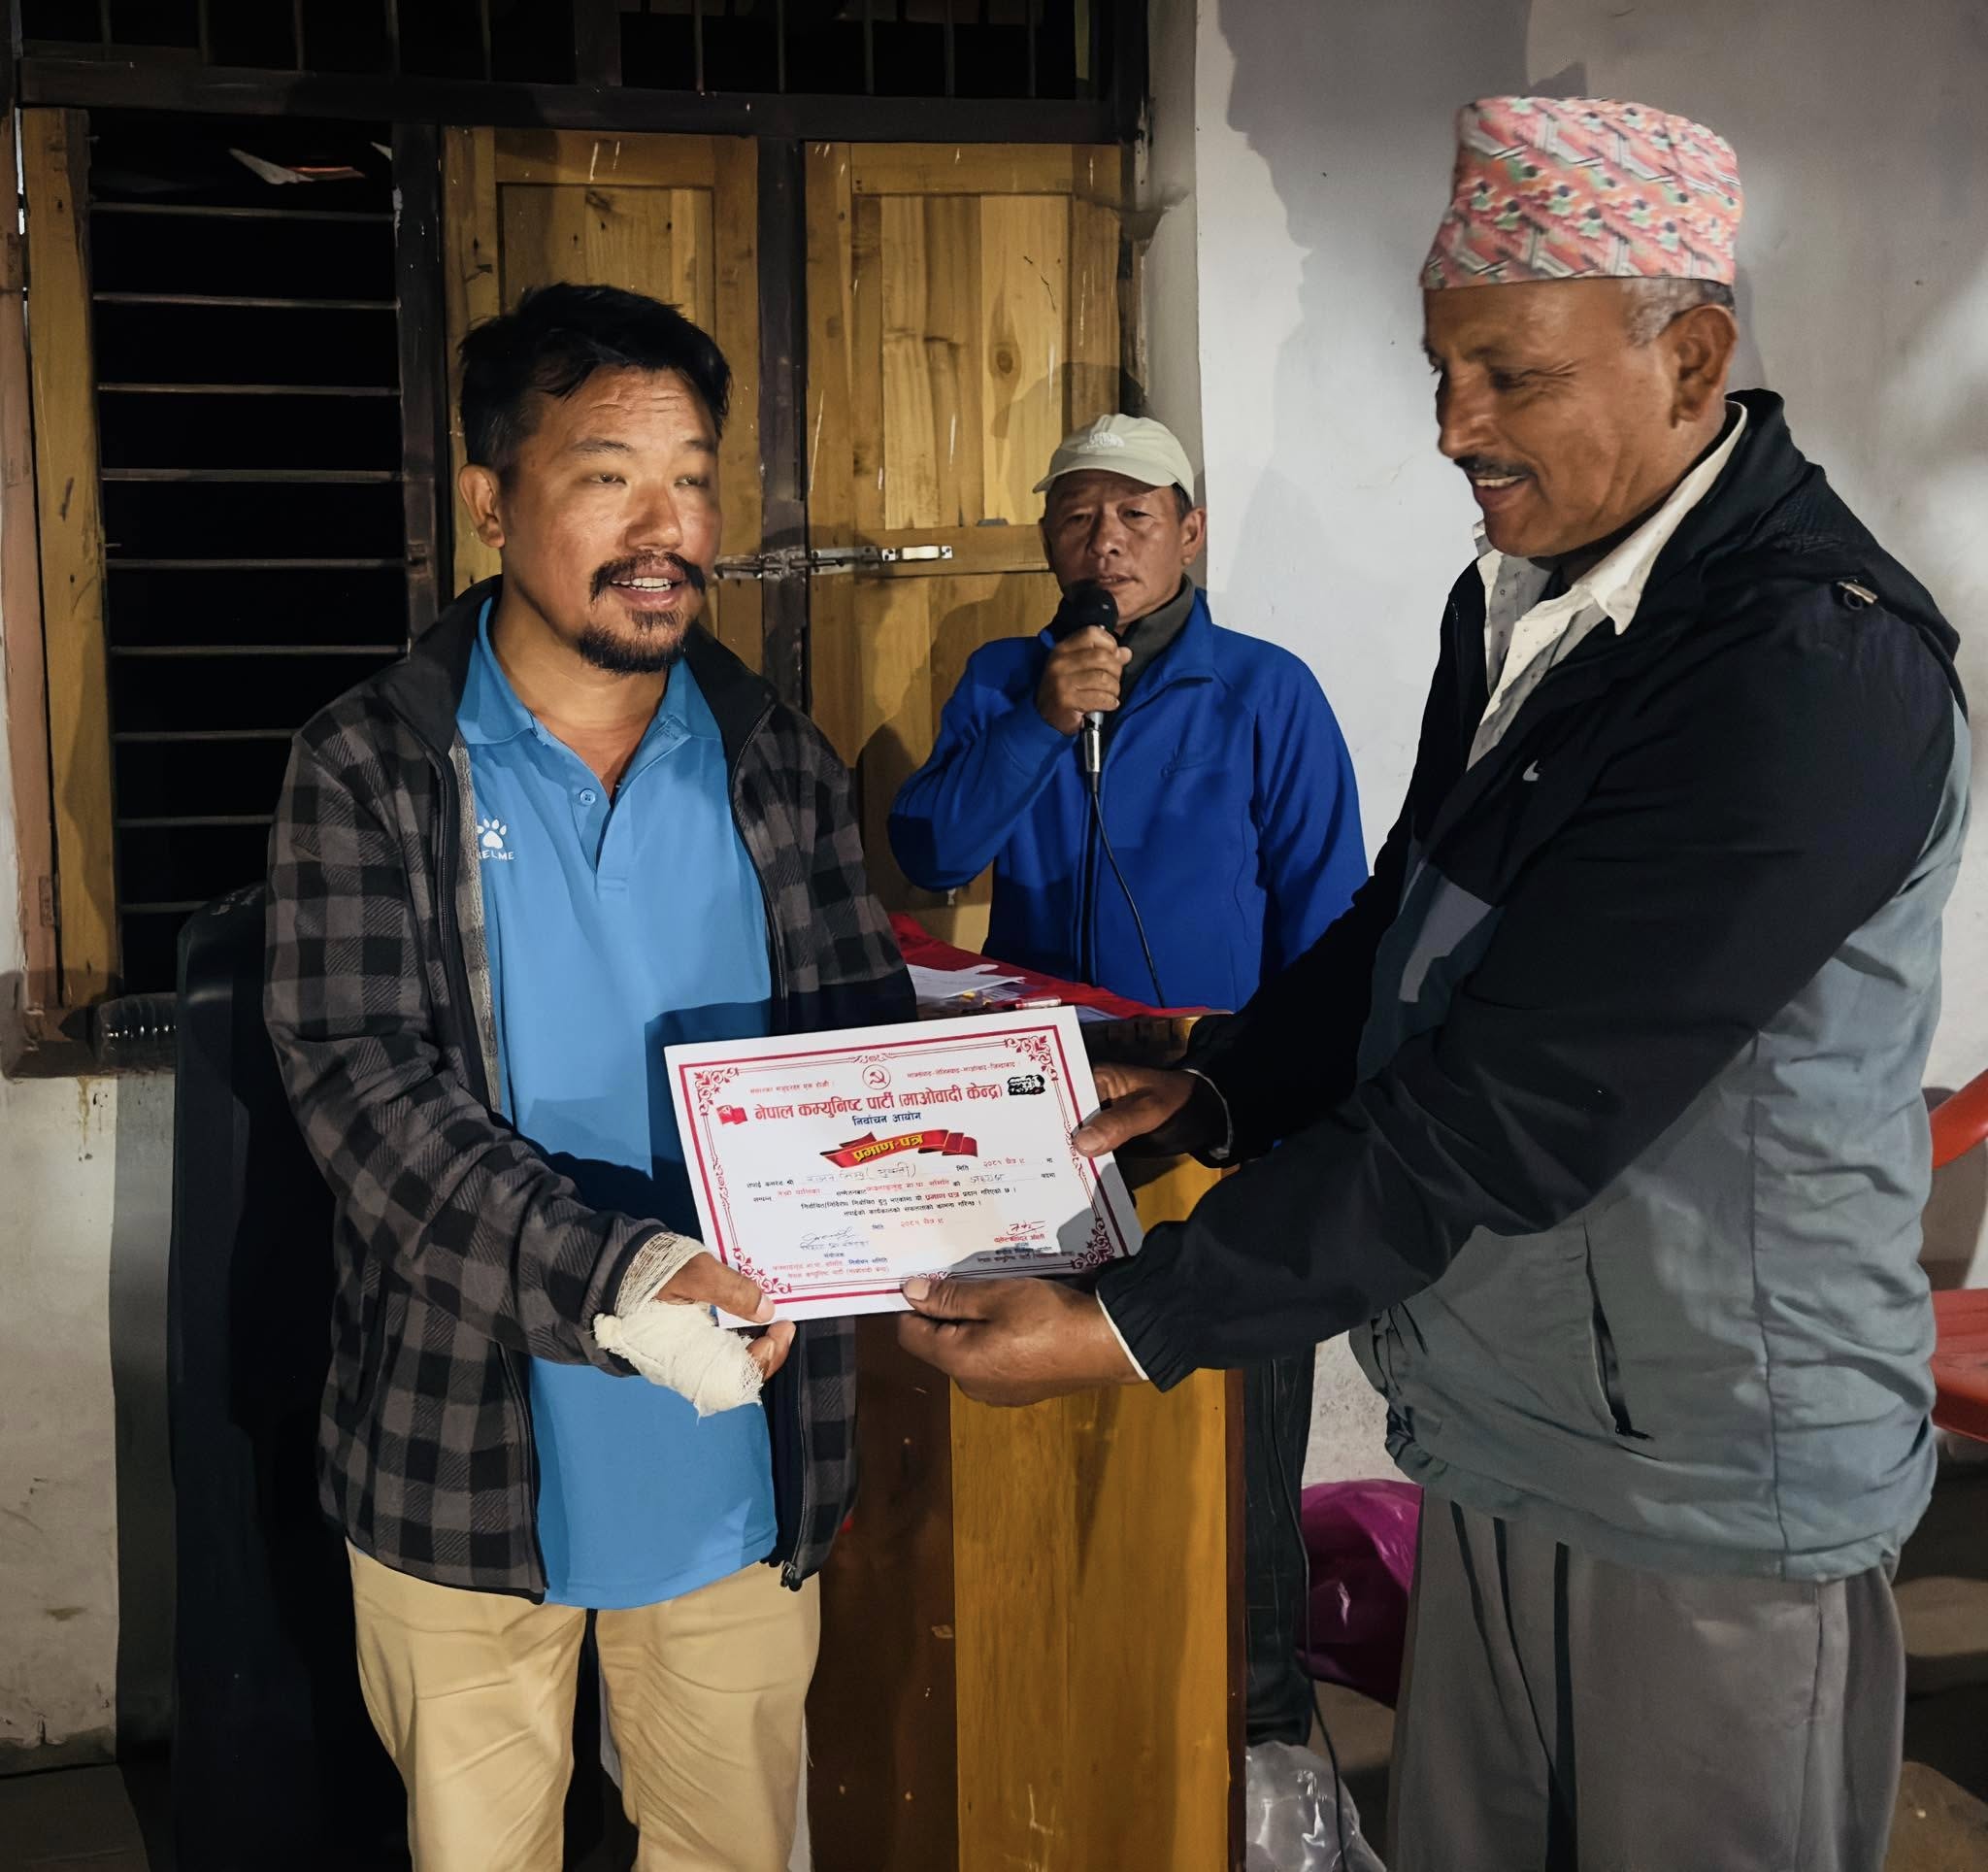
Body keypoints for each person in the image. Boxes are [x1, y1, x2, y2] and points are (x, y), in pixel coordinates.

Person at [896, 96, 1970, 1872]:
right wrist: (1225, 1086)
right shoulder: (1530, 603)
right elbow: (1405, 914)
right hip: (1510, 1414)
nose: (1454, 424)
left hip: (1712, 1467)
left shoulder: (1807, 668)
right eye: (1442, 370)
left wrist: (1145, 1318)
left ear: (1693, 359)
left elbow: (1520, 1101)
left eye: (1509, 375)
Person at [264, 284, 911, 1871]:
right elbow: (363, 1094)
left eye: (691, 478)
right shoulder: (373, 763)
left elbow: (859, 1065)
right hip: (463, 1456)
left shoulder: (776, 761)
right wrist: (625, 1277)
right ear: (490, 501)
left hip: (734, 1449)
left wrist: (982, 1182)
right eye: (608, 476)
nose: (663, 528)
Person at [889, 415, 1368, 1743]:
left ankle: (1261, 1735)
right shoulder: (1007, 678)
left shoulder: (1266, 692)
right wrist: (1043, 723)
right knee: (1063, 1428)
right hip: (1047, 1117)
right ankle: (1090, 1726)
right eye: (1077, 516)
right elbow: (932, 852)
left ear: (1189, 532)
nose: (1104, 541)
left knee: (1236, 1459)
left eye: (1135, 515)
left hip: (1221, 1110)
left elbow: (1334, 922)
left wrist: (1282, 1114)